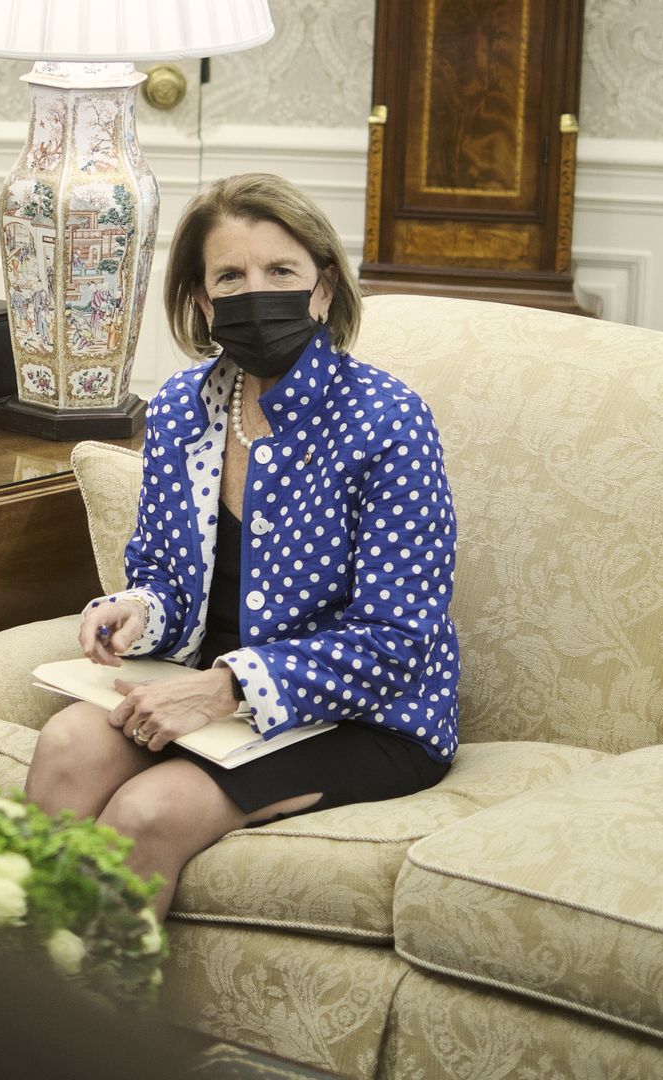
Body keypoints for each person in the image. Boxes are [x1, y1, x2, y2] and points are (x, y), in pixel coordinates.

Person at [25, 173, 459, 922]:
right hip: (203, 694)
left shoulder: (388, 421)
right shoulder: (179, 410)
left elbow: (396, 640)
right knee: (67, 746)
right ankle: (6, 1008)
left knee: (148, 812)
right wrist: (137, 609)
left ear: (322, 290)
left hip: (365, 715)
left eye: (280, 272)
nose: (256, 292)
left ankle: (86, 1036)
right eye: (231, 275)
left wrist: (225, 687)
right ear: (202, 301)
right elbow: (164, 574)